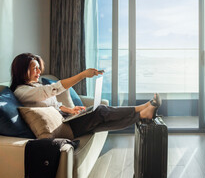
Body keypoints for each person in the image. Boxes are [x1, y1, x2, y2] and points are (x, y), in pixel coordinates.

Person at [10, 53, 161, 138]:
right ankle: (141, 109)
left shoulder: (34, 86)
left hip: (65, 119)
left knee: (101, 122)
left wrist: (70, 110)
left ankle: (142, 115)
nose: (38, 72)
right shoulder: (22, 92)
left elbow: (52, 104)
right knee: (100, 111)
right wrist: (82, 75)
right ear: (22, 70)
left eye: (38, 68)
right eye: (34, 68)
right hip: (62, 127)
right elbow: (52, 90)